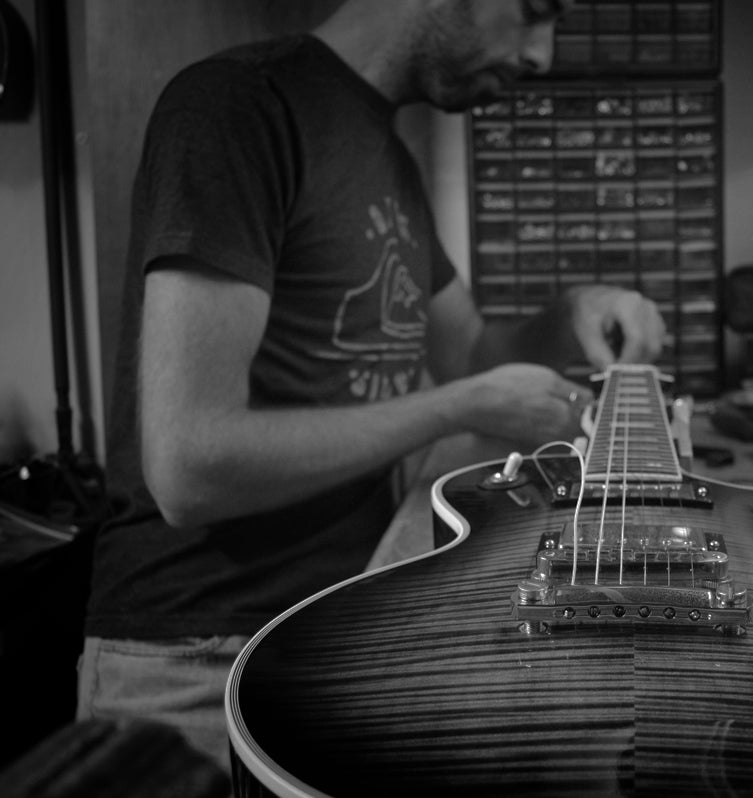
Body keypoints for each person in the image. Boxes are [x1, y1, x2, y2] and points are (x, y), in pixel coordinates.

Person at [77, 0, 665, 773]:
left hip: (342, 620)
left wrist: (575, 310)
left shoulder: (389, 158)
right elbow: (191, 466)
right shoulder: (238, 105)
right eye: (534, 11)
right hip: (196, 661)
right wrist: (454, 409)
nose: (541, 54)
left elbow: (473, 353)